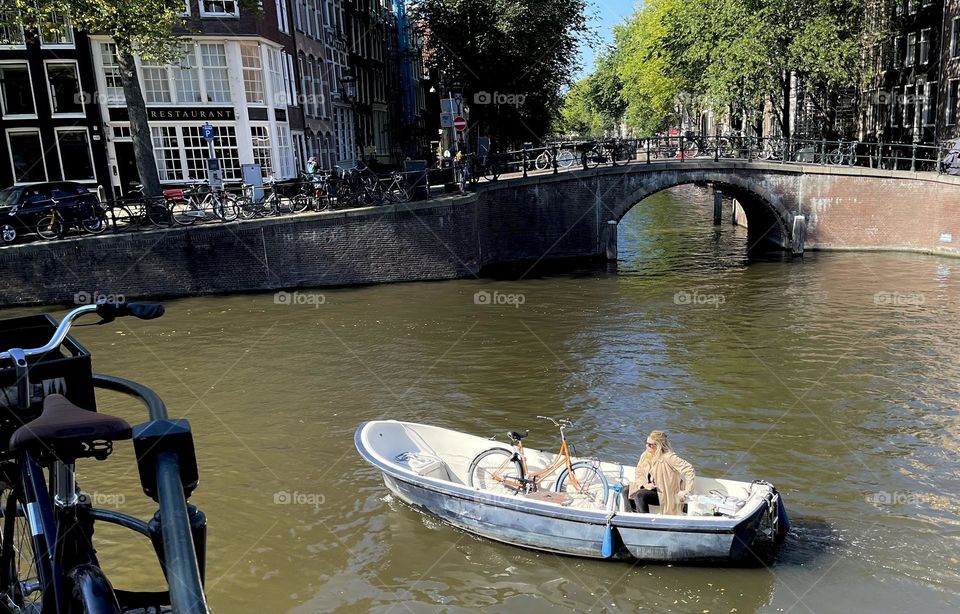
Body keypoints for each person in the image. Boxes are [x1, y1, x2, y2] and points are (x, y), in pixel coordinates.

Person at [628, 430, 695, 515]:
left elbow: (689, 469)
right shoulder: (645, 455)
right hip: (650, 488)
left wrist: (687, 490)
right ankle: (631, 516)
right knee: (626, 490)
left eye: (650, 445)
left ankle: (645, 522)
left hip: (664, 493)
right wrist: (644, 484)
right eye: (646, 443)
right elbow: (639, 472)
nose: (647, 446)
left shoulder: (668, 457)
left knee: (639, 495)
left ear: (659, 445)